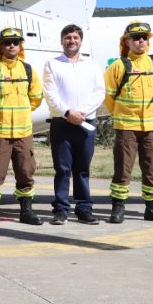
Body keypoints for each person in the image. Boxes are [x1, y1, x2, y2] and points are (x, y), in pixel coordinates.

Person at [0, 27, 44, 226]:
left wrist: (22, 114)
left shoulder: (28, 70)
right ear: (0, 46)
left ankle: (26, 211)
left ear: (20, 45)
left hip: (23, 132)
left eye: (15, 42)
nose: (11, 45)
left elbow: (36, 97)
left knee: (26, 171)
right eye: (7, 42)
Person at [104, 21, 153, 224]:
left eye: (144, 37)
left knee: (152, 169)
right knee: (122, 169)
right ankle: (118, 208)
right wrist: (123, 114)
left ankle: (152, 208)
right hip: (127, 127)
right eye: (136, 38)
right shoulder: (118, 66)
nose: (141, 41)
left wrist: (151, 113)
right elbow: (109, 98)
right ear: (127, 41)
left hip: (152, 128)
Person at [41, 24, 105, 225]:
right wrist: (68, 112)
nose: (72, 41)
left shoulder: (92, 64)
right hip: (62, 124)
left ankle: (84, 208)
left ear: (81, 41)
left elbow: (99, 92)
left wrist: (81, 113)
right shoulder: (52, 64)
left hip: (85, 122)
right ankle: (61, 209)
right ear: (62, 41)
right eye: (68, 37)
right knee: (62, 169)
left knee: (82, 168)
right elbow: (50, 94)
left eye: (76, 38)